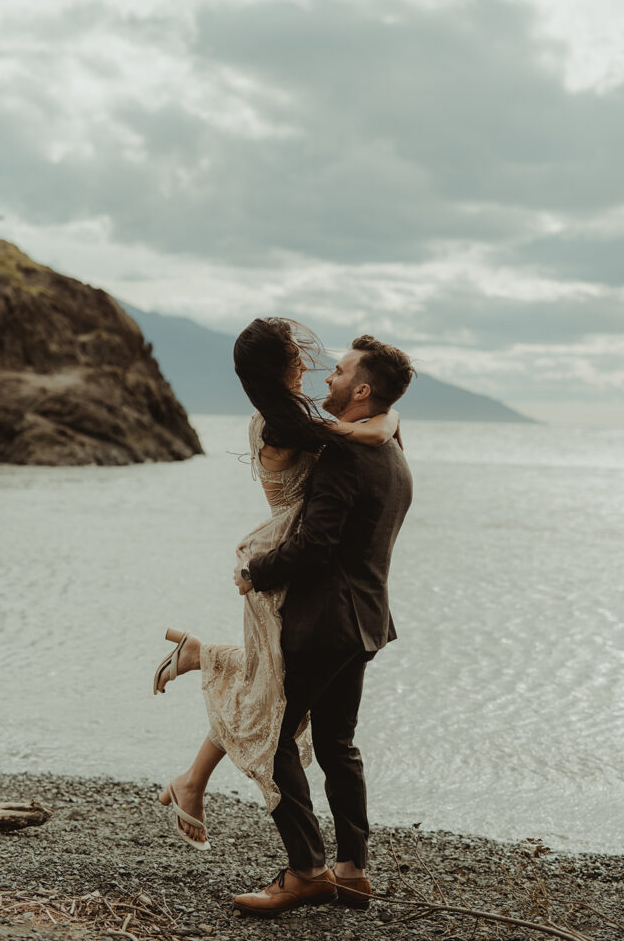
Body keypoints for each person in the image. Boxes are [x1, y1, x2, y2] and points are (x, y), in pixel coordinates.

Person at [152, 319, 401, 852]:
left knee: (269, 694)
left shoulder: (289, 418)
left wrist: (388, 414)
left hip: (291, 560)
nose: (311, 362)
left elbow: (368, 431)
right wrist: (387, 418)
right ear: (283, 364)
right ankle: (302, 857)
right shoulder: (286, 426)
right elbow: (369, 434)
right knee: (271, 702)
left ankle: (201, 678)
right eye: (297, 354)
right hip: (285, 561)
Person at [230, 334, 414, 917]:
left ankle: (306, 870)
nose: (327, 380)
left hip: (326, 620)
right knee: (337, 744)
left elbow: (316, 545)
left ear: (362, 389)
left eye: (336, 373)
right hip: (367, 619)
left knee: (272, 737)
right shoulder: (393, 452)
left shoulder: (345, 452)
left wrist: (255, 571)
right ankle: (353, 870)